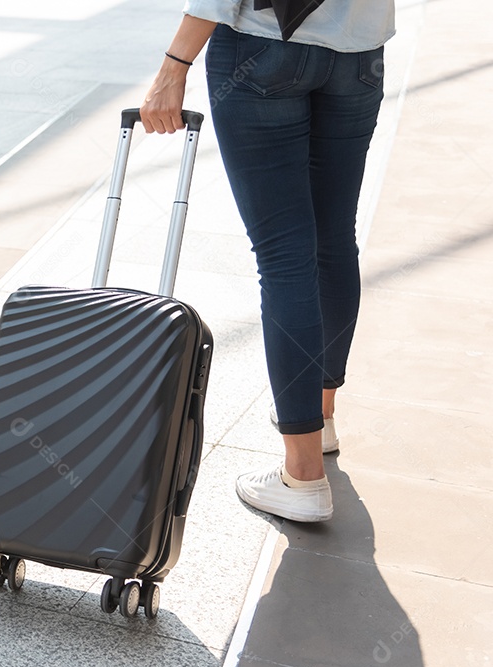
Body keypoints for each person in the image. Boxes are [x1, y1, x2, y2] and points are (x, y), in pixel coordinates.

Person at [139, 0, 395, 522]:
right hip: (359, 54)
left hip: (264, 50)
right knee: (332, 240)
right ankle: (319, 423)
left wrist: (174, 65)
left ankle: (301, 477)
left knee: (285, 256)